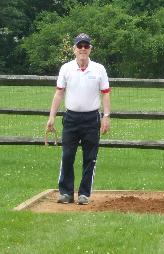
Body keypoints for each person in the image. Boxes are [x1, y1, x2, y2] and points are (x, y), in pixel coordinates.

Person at [46, 33, 111, 205]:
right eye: (79, 46)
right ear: (74, 49)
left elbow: (105, 94)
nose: (83, 49)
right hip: (71, 118)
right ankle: (66, 193)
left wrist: (106, 116)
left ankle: (84, 193)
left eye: (86, 46)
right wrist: (51, 117)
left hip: (91, 119)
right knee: (67, 155)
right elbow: (59, 93)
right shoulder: (66, 68)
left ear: (90, 49)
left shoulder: (99, 69)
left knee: (90, 157)